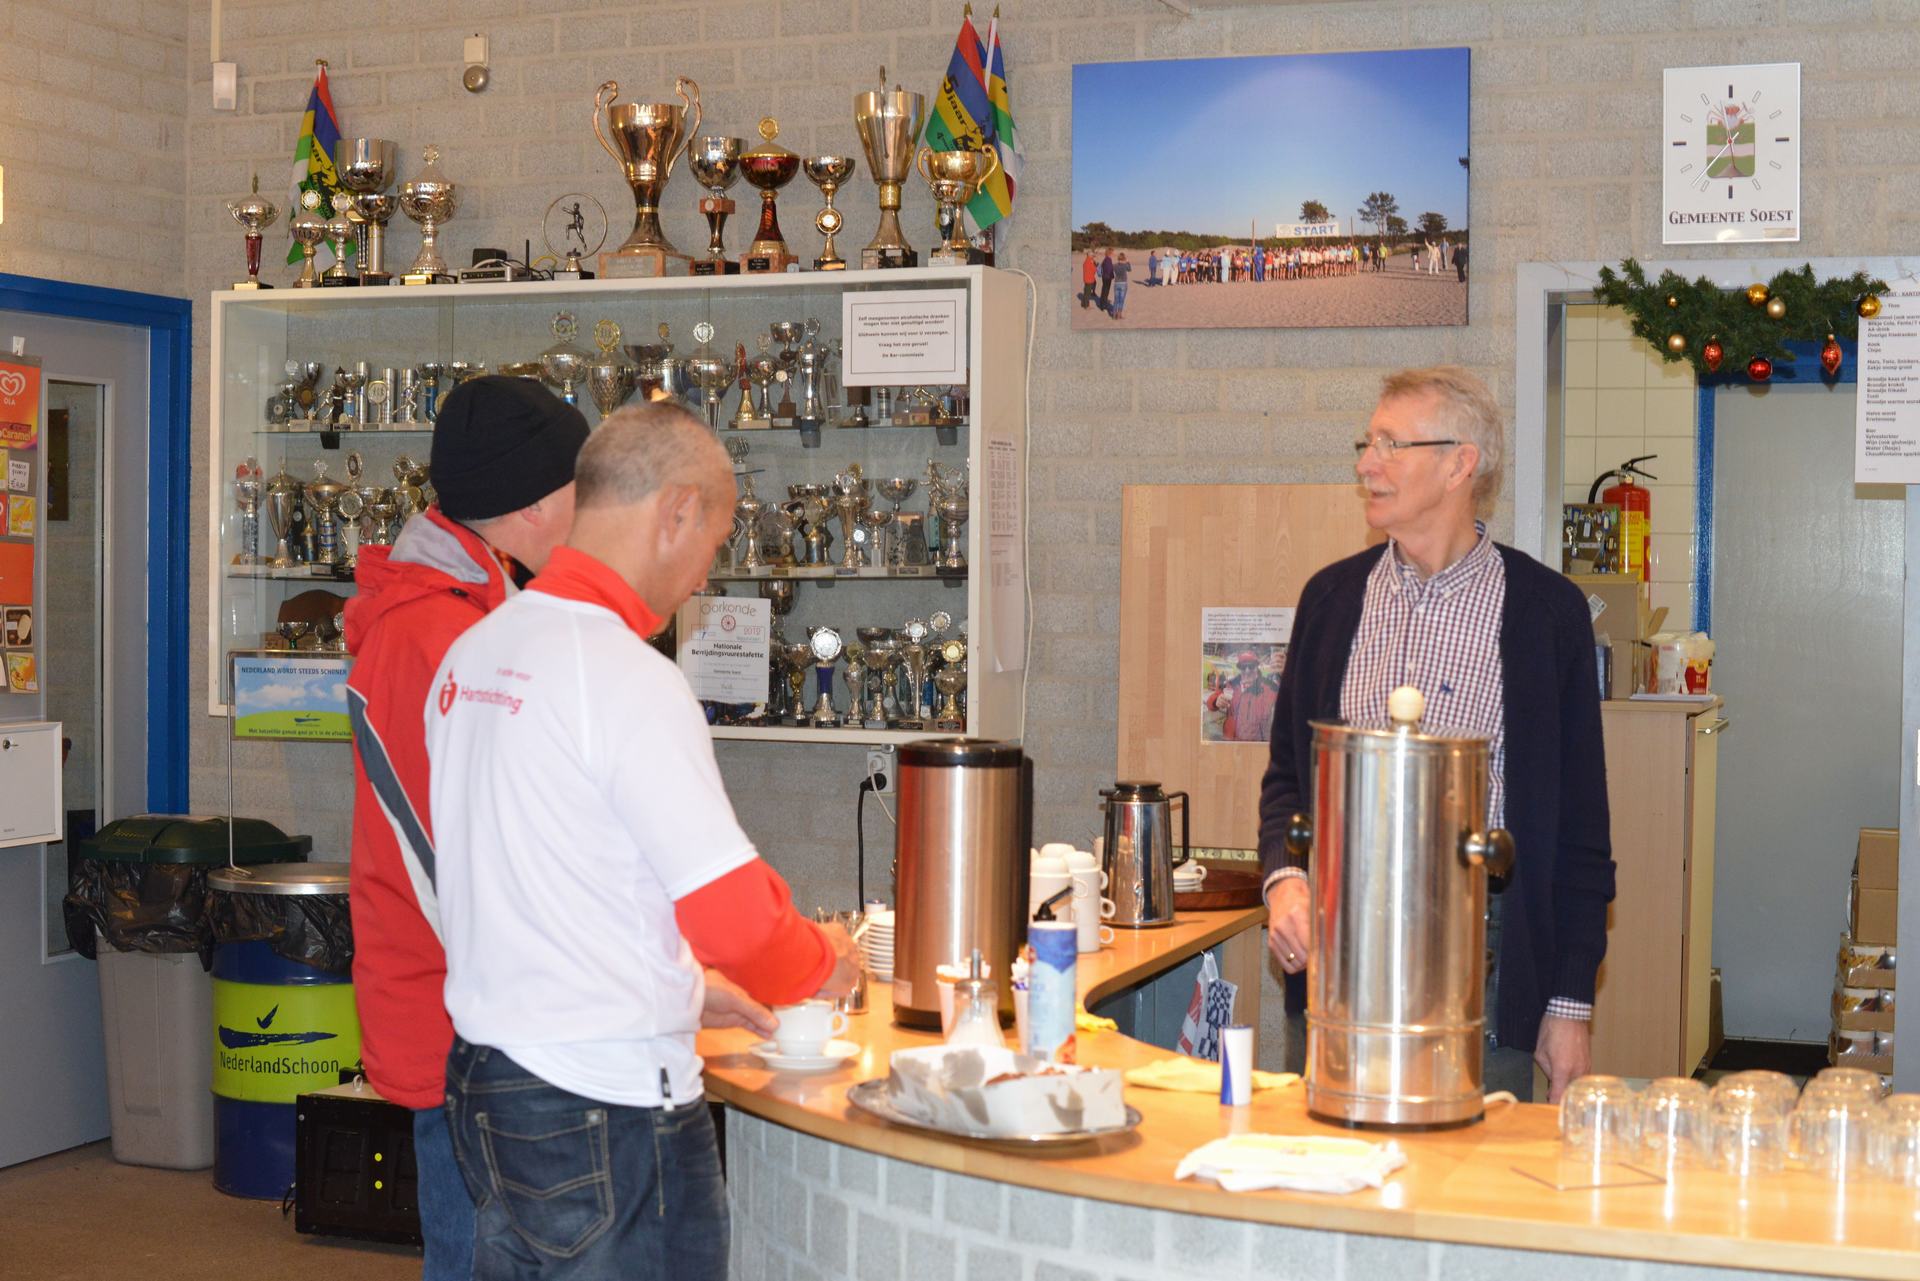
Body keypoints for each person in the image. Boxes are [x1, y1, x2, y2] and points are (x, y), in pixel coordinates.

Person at [429, 402, 861, 1280]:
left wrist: (682, 988)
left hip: (487, 1080)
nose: (704, 576)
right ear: (678, 511)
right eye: (716, 541)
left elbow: (540, 882)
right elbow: (734, 918)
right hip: (605, 1106)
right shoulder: (627, 677)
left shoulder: (474, 651)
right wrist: (825, 963)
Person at [1256, 366, 1614, 1105]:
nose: (1367, 464)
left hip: (1486, 966)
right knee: (1326, 1159)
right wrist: (1285, 879)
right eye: (1367, 443)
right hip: (1337, 957)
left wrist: (1569, 1003)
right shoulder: (1330, 599)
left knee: (1472, 1169)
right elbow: (1288, 777)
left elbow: (1581, 833)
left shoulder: (1548, 614)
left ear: (1460, 464)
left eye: (1391, 444)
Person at [345, 375, 588, 1281]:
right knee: (478, 1256)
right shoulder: (433, 634)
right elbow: (450, 855)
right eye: (579, 484)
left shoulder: (476, 608)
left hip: (475, 1006)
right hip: (464, 1017)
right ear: (531, 504)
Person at [1206, 650, 1279, 742]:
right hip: (1230, 741)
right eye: (1243, 667)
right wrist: (1216, 701)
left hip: (1256, 743)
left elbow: (1288, 702)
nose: (1247, 671)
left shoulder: (1270, 687)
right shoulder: (1230, 684)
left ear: (1257, 666)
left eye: (1251, 666)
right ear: (1240, 668)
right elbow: (1210, 703)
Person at [1111, 251, 1131, 319]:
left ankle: (1114, 315)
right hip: (1123, 283)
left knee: (1116, 300)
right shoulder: (1125, 265)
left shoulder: (1114, 265)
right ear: (1124, 258)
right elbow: (1129, 269)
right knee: (1121, 300)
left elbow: (1111, 270)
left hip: (1116, 283)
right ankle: (1119, 314)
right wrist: (1128, 262)